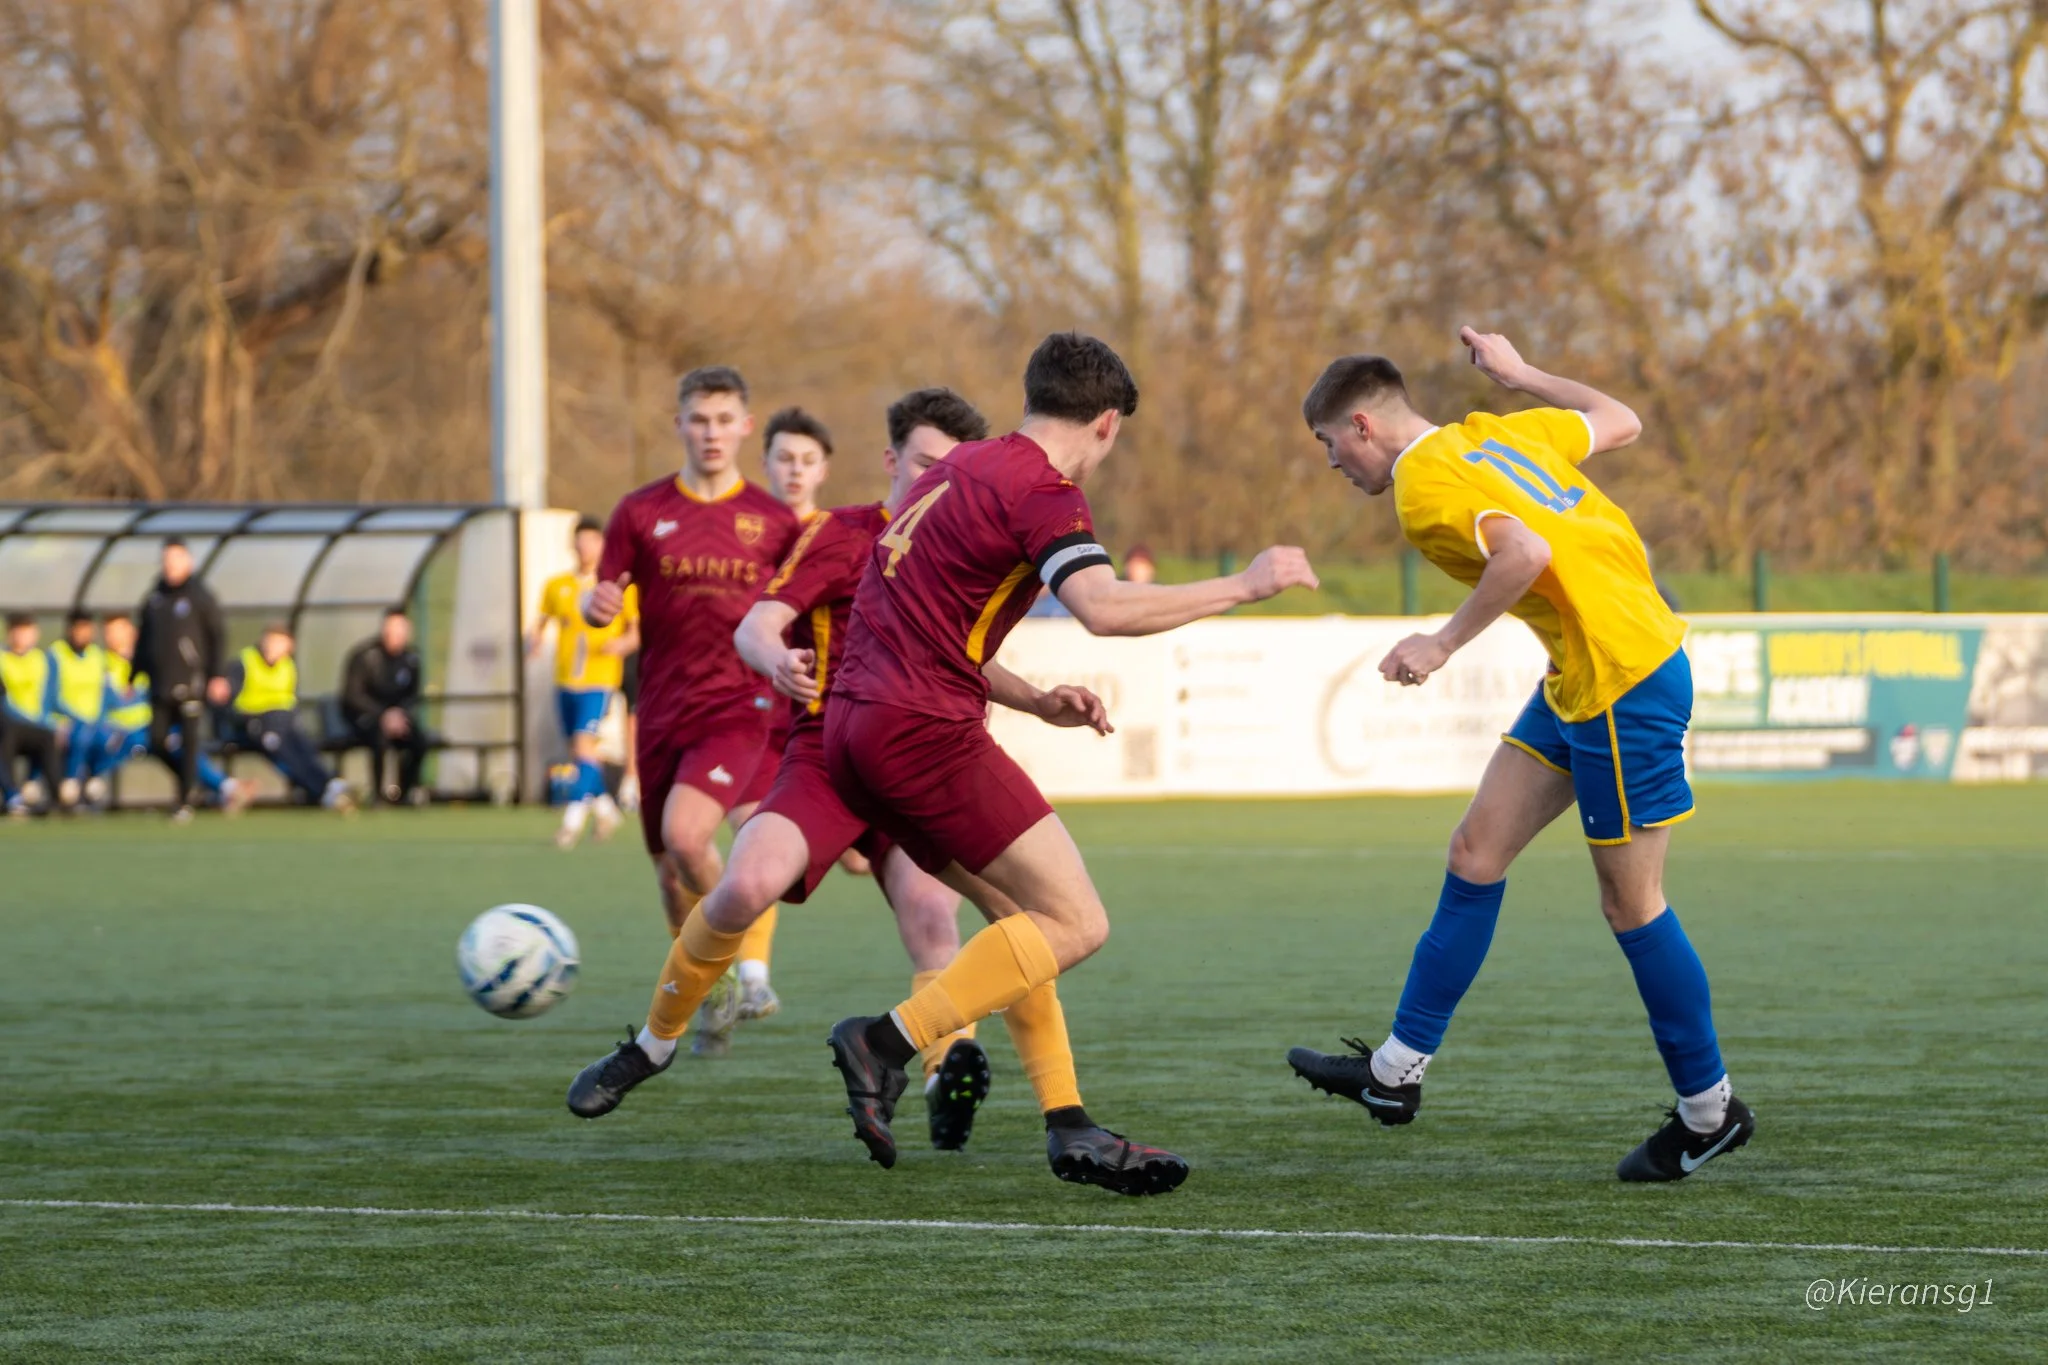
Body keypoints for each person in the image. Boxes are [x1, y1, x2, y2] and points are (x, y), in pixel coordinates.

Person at [569, 388, 1126, 1160]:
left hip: (924, 752)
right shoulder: (845, 534)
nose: (945, 475)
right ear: (894, 460)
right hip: (832, 750)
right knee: (745, 882)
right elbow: (759, 623)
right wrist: (779, 659)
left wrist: (1035, 700)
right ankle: (654, 1043)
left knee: (978, 915)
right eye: (928, 462)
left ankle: (972, 1083)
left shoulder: (965, 526)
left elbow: (962, 654)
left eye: (955, 462)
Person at [818, 333, 1318, 1192]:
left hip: (852, 728)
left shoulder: (956, 469)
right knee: (1079, 922)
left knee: (1023, 922)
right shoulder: (1044, 494)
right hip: (922, 730)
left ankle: (1068, 1123)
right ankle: (886, 1041)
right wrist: (1246, 583)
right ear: (1108, 425)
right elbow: (1103, 608)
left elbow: (918, 622)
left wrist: (1037, 700)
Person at [1286, 328, 1752, 1183]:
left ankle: (1709, 1111)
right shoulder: (1494, 429)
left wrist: (1443, 642)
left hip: (1624, 677)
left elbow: (1526, 552)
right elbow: (1619, 419)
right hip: (1582, 670)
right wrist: (1522, 376)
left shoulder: (1424, 485)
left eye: (1327, 445)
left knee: (1633, 905)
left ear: (1361, 426)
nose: (1330, 464)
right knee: (1477, 850)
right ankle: (1394, 1075)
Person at [583, 366, 802, 940]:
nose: (711, 432)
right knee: (668, 873)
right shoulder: (638, 512)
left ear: (745, 428)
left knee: (687, 837)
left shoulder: (776, 523)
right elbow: (600, 598)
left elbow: (802, 613)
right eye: (700, 420)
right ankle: (702, 990)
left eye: (724, 421)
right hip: (660, 709)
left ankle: (730, 956)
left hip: (737, 706)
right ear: (679, 423)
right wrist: (596, 606)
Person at [697, 404, 839, 1046]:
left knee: (867, 865)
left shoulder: (844, 534)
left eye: (807, 460)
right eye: (784, 458)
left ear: (825, 470)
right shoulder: (748, 534)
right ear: (765, 463)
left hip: (828, 724)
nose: (795, 471)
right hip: (748, 715)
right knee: (740, 843)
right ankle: (740, 979)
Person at [528, 517, 638, 848]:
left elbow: (635, 633)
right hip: (565, 679)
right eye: (580, 540)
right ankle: (605, 810)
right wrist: (532, 641)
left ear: (602, 544)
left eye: (591, 540)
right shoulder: (557, 585)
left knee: (583, 745)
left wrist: (620, 644)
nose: (584, 546)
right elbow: (541, 623)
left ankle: (571, 822)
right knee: (580, 752)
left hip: (600, 679)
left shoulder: (617, 586)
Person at [92, 613, 241, 812]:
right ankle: (217, 787)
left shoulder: (151, 660)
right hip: (120, 733)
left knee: (180, 743)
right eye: (108, 632)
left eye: (117, 630)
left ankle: (218, 788)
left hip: (148, 730)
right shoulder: (102, 663)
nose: (111, 636)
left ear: (131, 631)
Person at [133, 537, 229, 820]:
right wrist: (132, 674)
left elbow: (217, 637)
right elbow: (144, 640)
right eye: (166, 561)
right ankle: (192, 783)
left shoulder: (200, 596)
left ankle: (185, 798)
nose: (170, 566)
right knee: (157, 741)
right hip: (159, 683)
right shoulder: (155, 597)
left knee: (189, 743)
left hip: (192, 682)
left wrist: (217, 676)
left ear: (189, 562)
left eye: (176, 560)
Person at [225, 623, 353, 810]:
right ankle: (321, 789)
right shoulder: (244, 662)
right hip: (251, 724)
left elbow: (289, 700)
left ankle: (329, 784)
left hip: (282, 722)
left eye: (279, 643)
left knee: (303, 745)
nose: (273, 647)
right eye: (271, 641)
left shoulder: (287, 666)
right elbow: (228, 703)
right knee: (283, 749)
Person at [341, 608, 432, 805]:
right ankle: (378, 795)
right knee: (379, 737)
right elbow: (353, 695)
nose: (397, 636)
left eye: (401, 631)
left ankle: (403, 793)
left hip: (397, 718)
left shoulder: (411, 659)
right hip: (364, 717)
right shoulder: (364, 656)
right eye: (392, 630)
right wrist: (383, 715)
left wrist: (400, 714)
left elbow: (413, 695)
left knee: (419, 741)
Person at [47, 610, 111, 808]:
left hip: (95, 722)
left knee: (113, 739)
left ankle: (93, 780)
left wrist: (98, 719)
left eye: (88, 629)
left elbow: (104, 694)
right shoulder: (56, 653)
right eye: (79, 629)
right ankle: (71, 784)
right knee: (81, 735)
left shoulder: (97, 656)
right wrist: (78, 718)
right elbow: (53, 697)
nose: (84, 634)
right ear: (70, 630)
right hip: (65, 721)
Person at [1, 613, 64, 814]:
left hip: (38, 725)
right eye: (17, 631)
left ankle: (57, 799)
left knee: (49, 735)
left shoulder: (44, 660)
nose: (21, 636)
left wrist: (58, 722)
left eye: (26, 631)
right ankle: (12, 795)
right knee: (7, 733)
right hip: (9, 724)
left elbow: (53, 699)